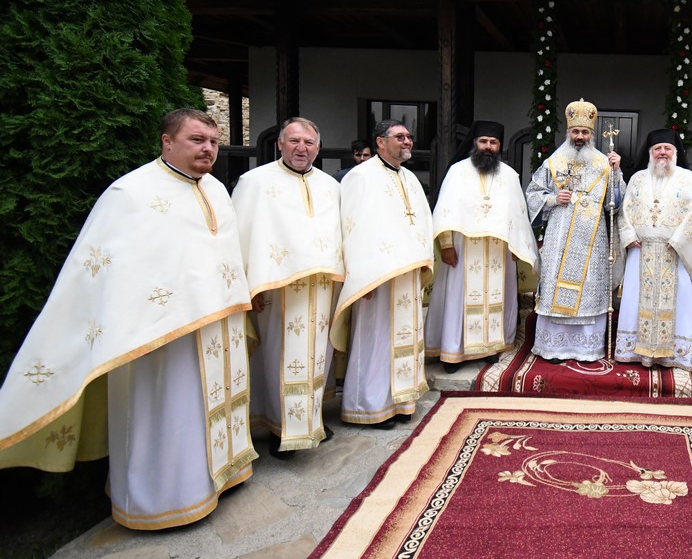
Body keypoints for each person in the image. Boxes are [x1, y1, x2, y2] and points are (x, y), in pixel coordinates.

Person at [0, 109, 255, 530]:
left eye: (213, 141)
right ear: (166, 142)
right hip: (160, 332)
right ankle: (166, 499)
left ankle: (222, 475)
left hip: (216, 324)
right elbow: (105, 270)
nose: (208, 149)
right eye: (196, 140)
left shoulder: (215, 189)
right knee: (169, 411)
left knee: (208, 404)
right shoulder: (130, 193)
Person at [232, 117, 343, 459]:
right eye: (294, 141)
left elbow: (339, 234)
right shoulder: (255, 182)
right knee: (277, 358)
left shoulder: (330, 185)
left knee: (317, 358)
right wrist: (249, 288)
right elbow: (241, 238)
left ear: (318, 148)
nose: (301, 148)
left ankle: (310, 421)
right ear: (280, 144)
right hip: (276, 289)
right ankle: (280, 427)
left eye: (309, 142)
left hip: (321, 287)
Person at [331, 120, 433, 427]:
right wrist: (360, 275)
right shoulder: (360, 176)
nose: (407, 141)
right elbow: (351, 227)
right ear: (380, 142)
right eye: (399, 137)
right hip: (375, 276)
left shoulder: (410, 177)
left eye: (409, 137)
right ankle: (368, 407)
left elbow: (422, 222)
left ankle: (401, 402)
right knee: (374, 339)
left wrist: (423, 260)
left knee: (405, 338)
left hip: (407, 274)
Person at [425, 121, 538, 373]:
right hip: (463, 250)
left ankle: (489, 348)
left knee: (495, 300)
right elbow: (444, 212)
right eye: (483, 141)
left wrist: (516, 246)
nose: (488, 147)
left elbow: (518, 215)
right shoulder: (457, 171)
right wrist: (446, 245)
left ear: (499, 146)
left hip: (498, 252)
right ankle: (452, 352)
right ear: (475, 143)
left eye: (493, 142)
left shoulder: (509, 175)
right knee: (458, 299)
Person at [524, 99, 625, 361]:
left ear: (592, 134)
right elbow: (532, 194)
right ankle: (554, 347)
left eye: (585, 132)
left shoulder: (604, 163)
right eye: (576, 131)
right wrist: (553, 199)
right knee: (556, 284)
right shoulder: (553, 162)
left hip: (593, 240)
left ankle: (585, 349)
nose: (580, 137)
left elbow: (615, 204)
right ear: (568, 132)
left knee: (589, 288)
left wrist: (617, 173)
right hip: (559, 237)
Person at [615, 129, 692, 369]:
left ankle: (674, 354)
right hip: (641, 251)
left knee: (678, 302)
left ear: (675, 152)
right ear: (650, 153)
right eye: (657, 148)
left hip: (676, 252)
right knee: (635, 300)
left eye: (667, 148)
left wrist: (679, 239)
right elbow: (624, 211)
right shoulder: (637, 178)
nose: (662, 153)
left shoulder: (688, 178)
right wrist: (628, 235)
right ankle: (635, 350)